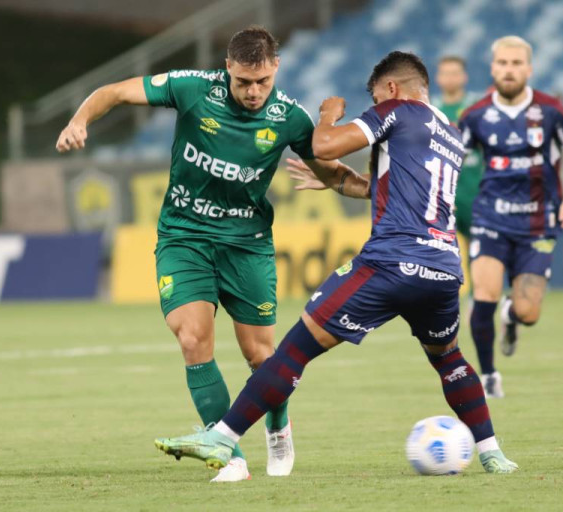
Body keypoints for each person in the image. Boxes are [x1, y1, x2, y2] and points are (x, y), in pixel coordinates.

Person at [153, 51, 519, 474]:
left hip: (390, 262)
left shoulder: (396, 110)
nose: (375, 102)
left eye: (376, 95)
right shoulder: (450, 134)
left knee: (292, 350)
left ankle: (221, 438)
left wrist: (328, 114)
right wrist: (338, 183)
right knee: (449, 358)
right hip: (443, 268)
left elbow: (323, 144)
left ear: (393, 89)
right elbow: (391, 191)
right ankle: (492, 453)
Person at [55, 26, 367, 481]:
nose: (254, 91)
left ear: (275, 68)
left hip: (246, 244)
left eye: (262, 81)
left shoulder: (291, 119)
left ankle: (278, 426)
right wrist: (80, 120)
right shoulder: (193, 89)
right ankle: (229, 454)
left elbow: (337, 175)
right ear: (227, 69)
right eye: (243, 82)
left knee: (262, 357)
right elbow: (113, 91)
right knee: (192, 339)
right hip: (184, 236)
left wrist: (366, 189)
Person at [458, 36, 563, 398]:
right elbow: (448, 155)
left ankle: (512, 317)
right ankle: (487, 376)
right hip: (490, 218)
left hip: (537, 222)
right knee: (482, 294)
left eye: (516, 63)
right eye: (502, 63)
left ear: (529, 69)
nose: (509, 70)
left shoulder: (551, 111)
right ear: (492, 67)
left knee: (530, 312)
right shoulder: (475, 114)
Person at [433, 56, 485, 297]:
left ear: (464, 77)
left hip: (475, 193)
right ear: (438, 78)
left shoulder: (478, 108)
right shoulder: (430, 110)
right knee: (437, 251)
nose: (450, 78)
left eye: (455, 73)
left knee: (481, 250)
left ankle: (480, 298)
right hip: (441, 196)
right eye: (446, 73)